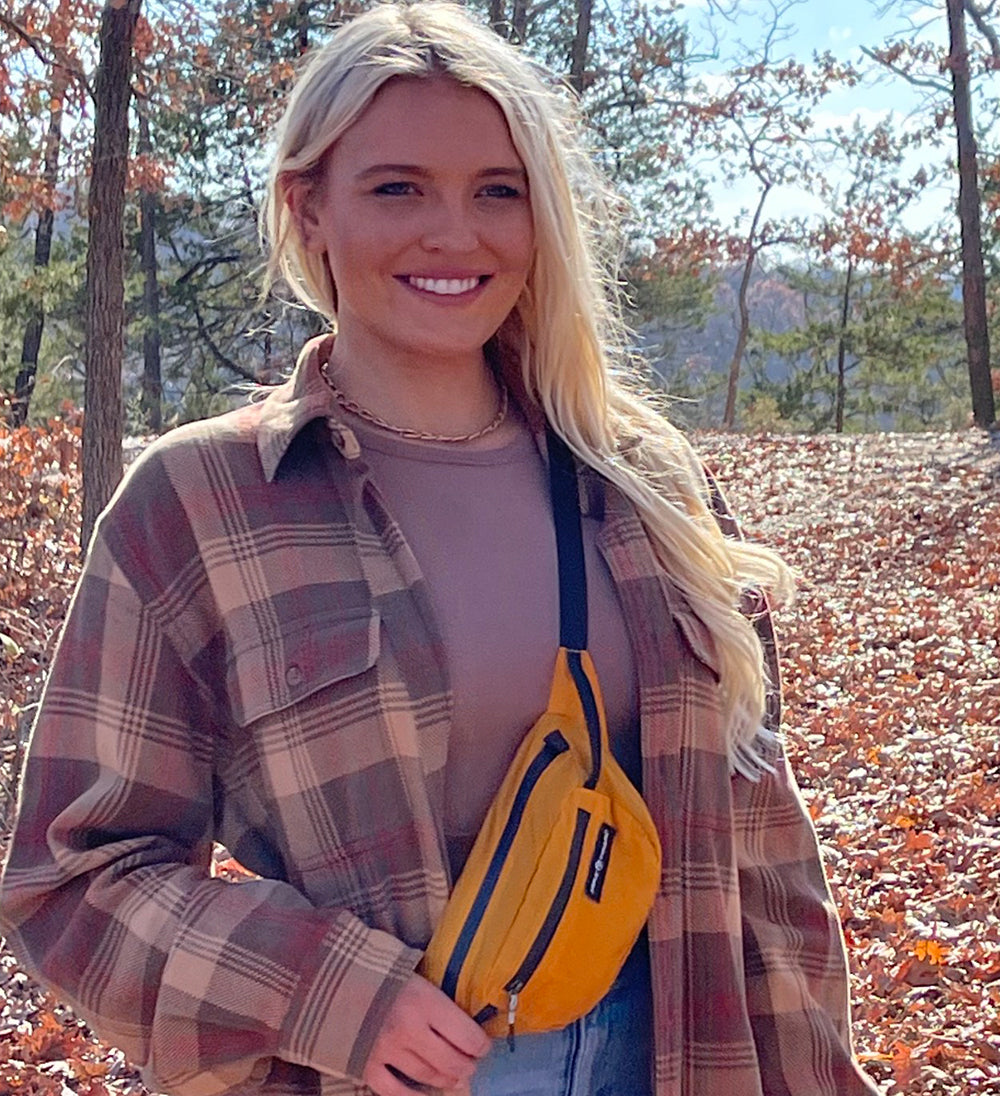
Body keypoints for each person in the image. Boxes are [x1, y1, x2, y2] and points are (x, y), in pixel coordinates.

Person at [0, 4, 879, 1095]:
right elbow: (74, 878)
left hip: (676, 1053)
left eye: (497, 191)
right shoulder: (202, 502)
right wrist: (328, 993)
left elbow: (764, 845)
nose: (455, 236)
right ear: (308, 207)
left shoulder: (645, 481)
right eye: (397, 189)